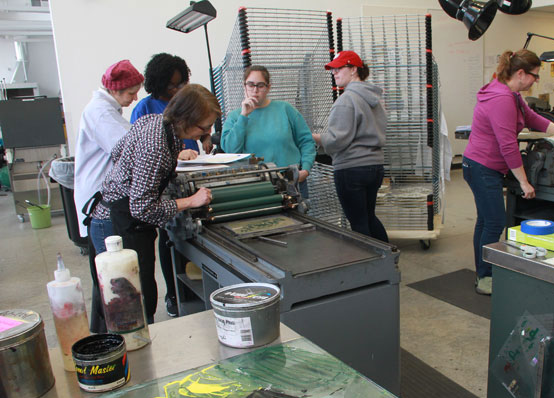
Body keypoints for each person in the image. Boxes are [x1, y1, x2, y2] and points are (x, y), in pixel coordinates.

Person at [89, 84, 219, 324]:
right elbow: (141, 207)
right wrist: (190, 200)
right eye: (204, 127)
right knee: (126, 308)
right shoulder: (156, 145)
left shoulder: (155, 121)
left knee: (120, 302)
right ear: (186, 119)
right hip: (117, 224)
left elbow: (119, 152)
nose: (207, 131)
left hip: (114, 215)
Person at [464, 50, 554, 295]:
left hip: (481, 165)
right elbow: (507, 145)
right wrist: (524, 182)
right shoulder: (502, 98)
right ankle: (485, 277)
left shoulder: (511, 94)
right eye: (534, 76)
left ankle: (483, 271)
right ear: (520, 73)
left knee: (486, 221)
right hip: (483, 167)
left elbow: (530, 117)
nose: (536, 81)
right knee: (494, 221)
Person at [131, 53, 210, 318]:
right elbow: (143, 201)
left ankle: (194, 292)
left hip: (190, 181)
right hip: (160, 196)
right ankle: (175, 295)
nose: (176, 90)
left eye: (181, 84)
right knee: (165, 246)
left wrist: (205, 139)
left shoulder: (181, 120)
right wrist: (175, 158)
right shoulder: (148, 115)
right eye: (172, 85)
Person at [74, 59, 143, 333]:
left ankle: (104, 332)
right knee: (114, 281)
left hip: (101, 204)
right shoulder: (101, 113)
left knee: (104, 277)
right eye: (130, 92)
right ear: (115, 90)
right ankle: (118, 337)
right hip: (103, 207)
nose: (135, 97)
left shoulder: (107, 109)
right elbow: (130, 149)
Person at [311, 51, 388, 242]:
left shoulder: (346, 100)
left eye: (339, 68)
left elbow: (337, 140)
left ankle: (372, 268)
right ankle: (389, 260)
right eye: (333, 69)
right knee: (369, 217)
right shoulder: (375, 98)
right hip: (375, 167)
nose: (334, 73)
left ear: (354, 69)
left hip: (351, 169)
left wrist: (314, 137)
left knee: (359, 224)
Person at [221, 65, 315, 199]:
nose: (255, 90)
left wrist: (305, 169)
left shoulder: (285, 109)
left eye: (260, 85)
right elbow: (231, 150)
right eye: (250, 85)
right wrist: (243, 116)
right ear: (244, 86)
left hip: (290, 179)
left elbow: (306, 141)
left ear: (268, 87)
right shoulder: (235, 117)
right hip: (255, 183)